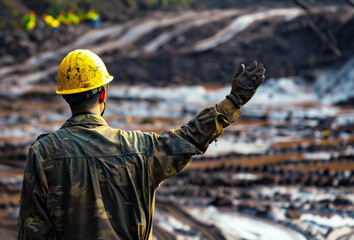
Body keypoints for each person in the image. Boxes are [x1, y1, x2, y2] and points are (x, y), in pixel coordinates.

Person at [17, 49, 265, 239]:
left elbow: (32, 231)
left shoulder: (43, 154)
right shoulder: (140, 148)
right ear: (103, 93)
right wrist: (233, 102)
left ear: (66, 98)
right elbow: (190, 138)